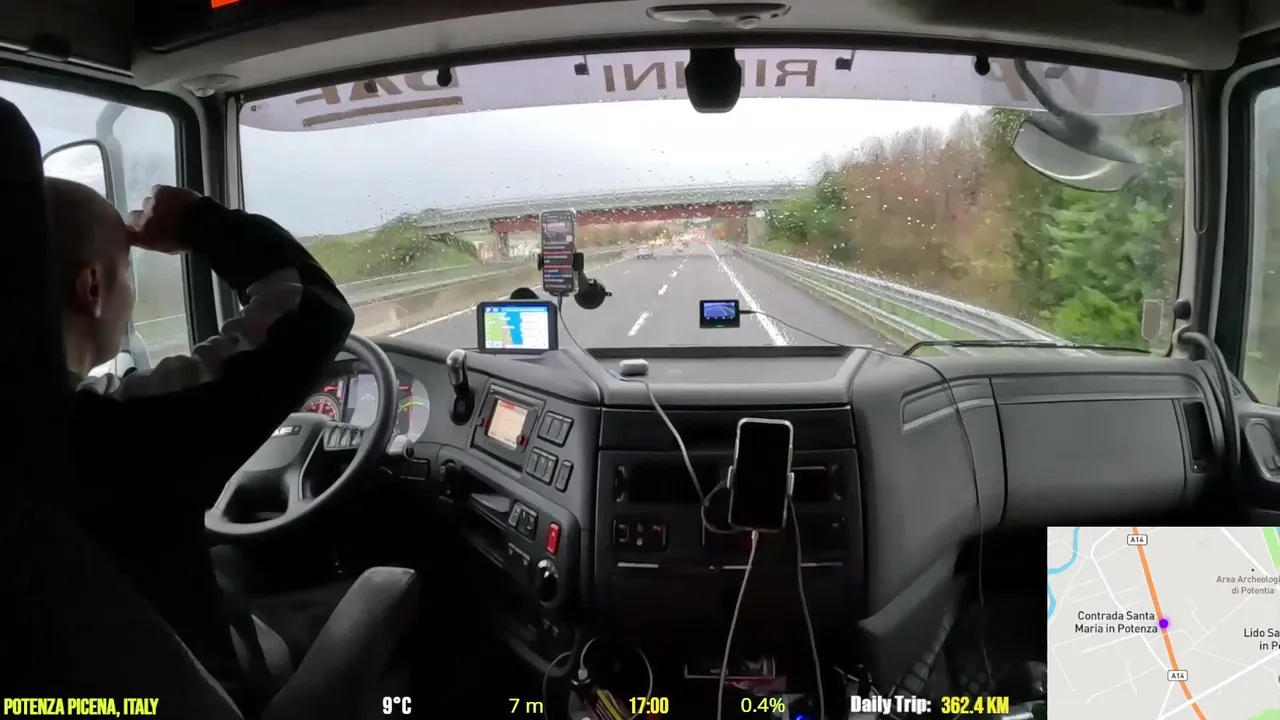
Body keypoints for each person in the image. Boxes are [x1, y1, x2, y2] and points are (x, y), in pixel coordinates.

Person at [50, 179, 356, 708]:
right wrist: (202, 224)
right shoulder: (114, 427)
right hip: (196, 690)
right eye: (128, 272)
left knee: (237, 562)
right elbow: (313, 309)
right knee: (377, 591)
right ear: (91, 289)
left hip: (81, 676)